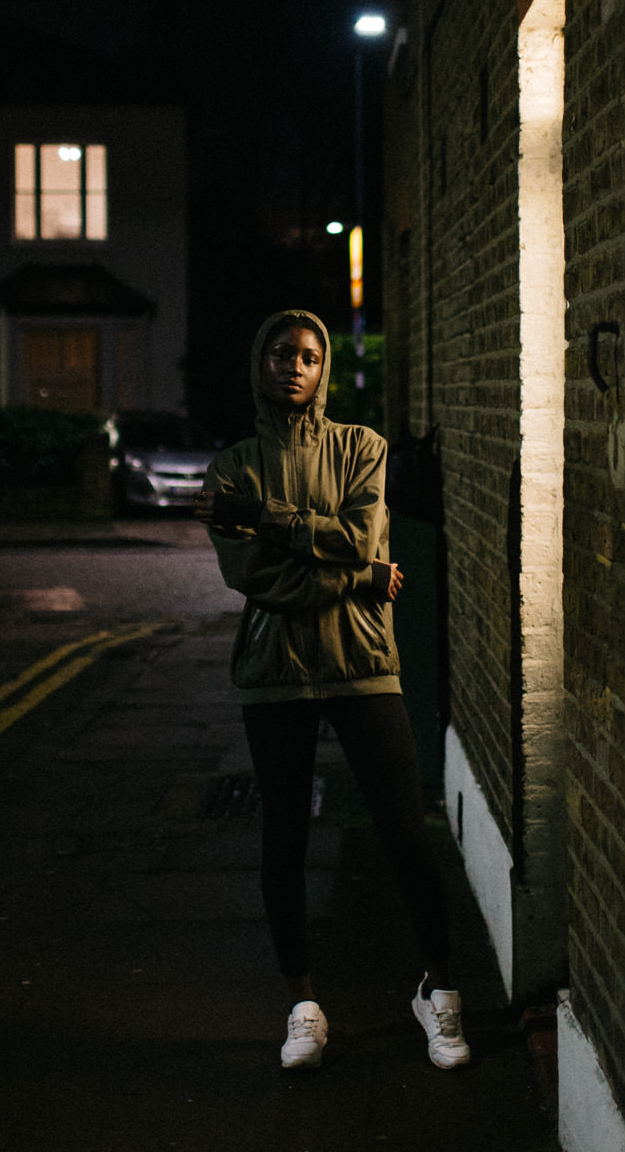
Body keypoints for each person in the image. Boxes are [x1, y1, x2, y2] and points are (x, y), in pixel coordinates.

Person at [196, 309, 469, 1072]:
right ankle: (302, 1005)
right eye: (280, 352)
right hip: (273, 675)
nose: (294, 365)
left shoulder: (362, 447)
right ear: (260, 364)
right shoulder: (231, 468)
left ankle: (439, 993)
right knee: (282, 838)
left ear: (324, 371)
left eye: (309, 356)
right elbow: (251, 577)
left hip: (363, 667)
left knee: (406, 833)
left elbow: (362, 533)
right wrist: (364, 580)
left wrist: (268, 519)